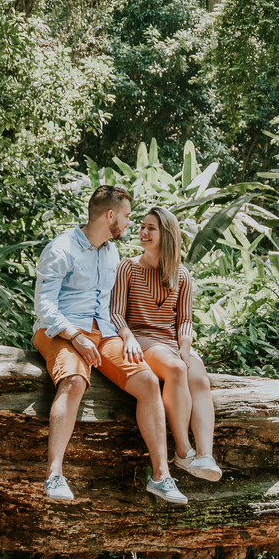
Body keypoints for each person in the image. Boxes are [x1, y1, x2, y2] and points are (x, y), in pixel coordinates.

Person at [33, 185, 188, 505]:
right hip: (58, 331)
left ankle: (161, 476)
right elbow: (44, 306)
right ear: (110, 215)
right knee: (75, 381)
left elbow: (109, 309)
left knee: (147, 382)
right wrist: (74, 336)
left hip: (103, 333)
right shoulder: (61, 248)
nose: (131, 224)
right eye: (128, 217)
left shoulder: (111, 252)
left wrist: (126, 336)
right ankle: (54, 475)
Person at [110, 206, 222, 482]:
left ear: (167, 235)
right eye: (142, 227)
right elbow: (115, 312)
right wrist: (127, 337)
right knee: (176, 369)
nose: (143, 232)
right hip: (143, 338)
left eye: (151, 228)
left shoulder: (181, 274)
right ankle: (183, 452)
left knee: (200, 379)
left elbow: (185, 320)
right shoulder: (128, 267)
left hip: (173, 341)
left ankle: (205, 456)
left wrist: (185, 347)